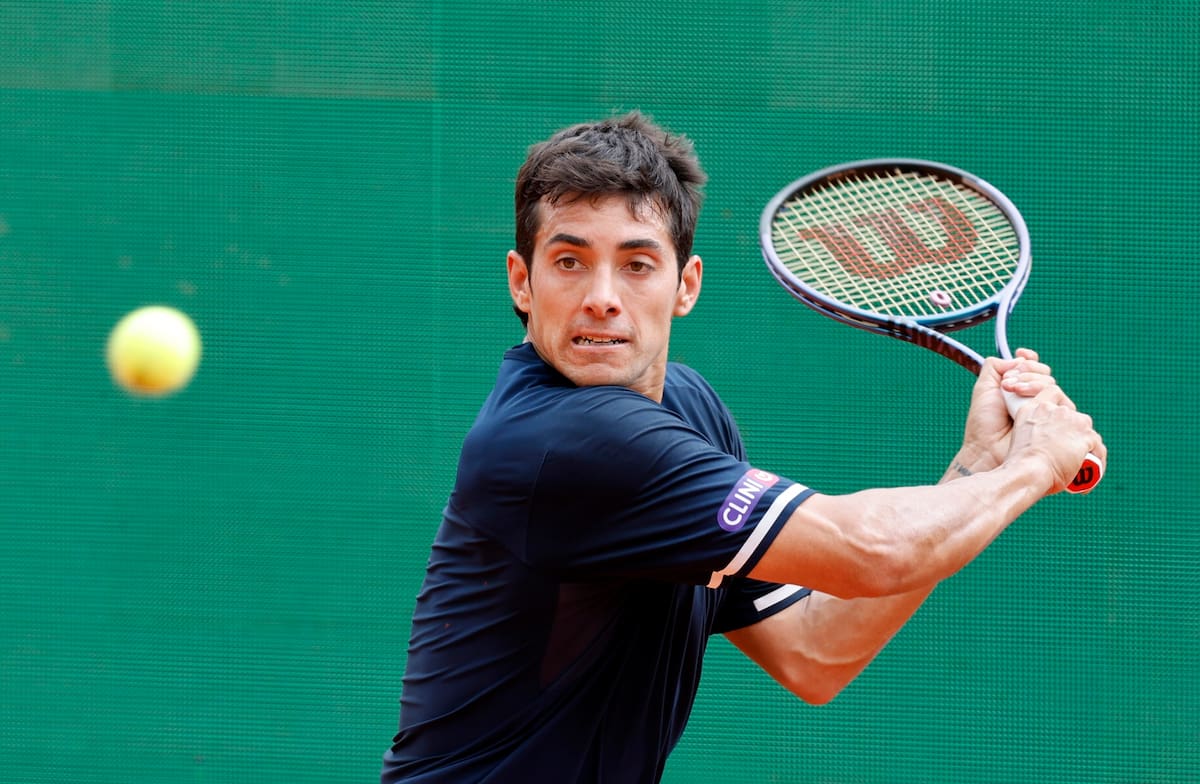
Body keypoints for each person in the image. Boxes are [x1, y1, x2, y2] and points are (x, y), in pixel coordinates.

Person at [380, 112, 1104, 783]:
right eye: (569, 261)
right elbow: (875, 550)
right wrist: (1035, 465)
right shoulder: (567, 443)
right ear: (522, 282)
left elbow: (813, 652)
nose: (602, 296)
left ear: (685, 285)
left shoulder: (685, 408)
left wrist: (979, 464)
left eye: (637, 264)